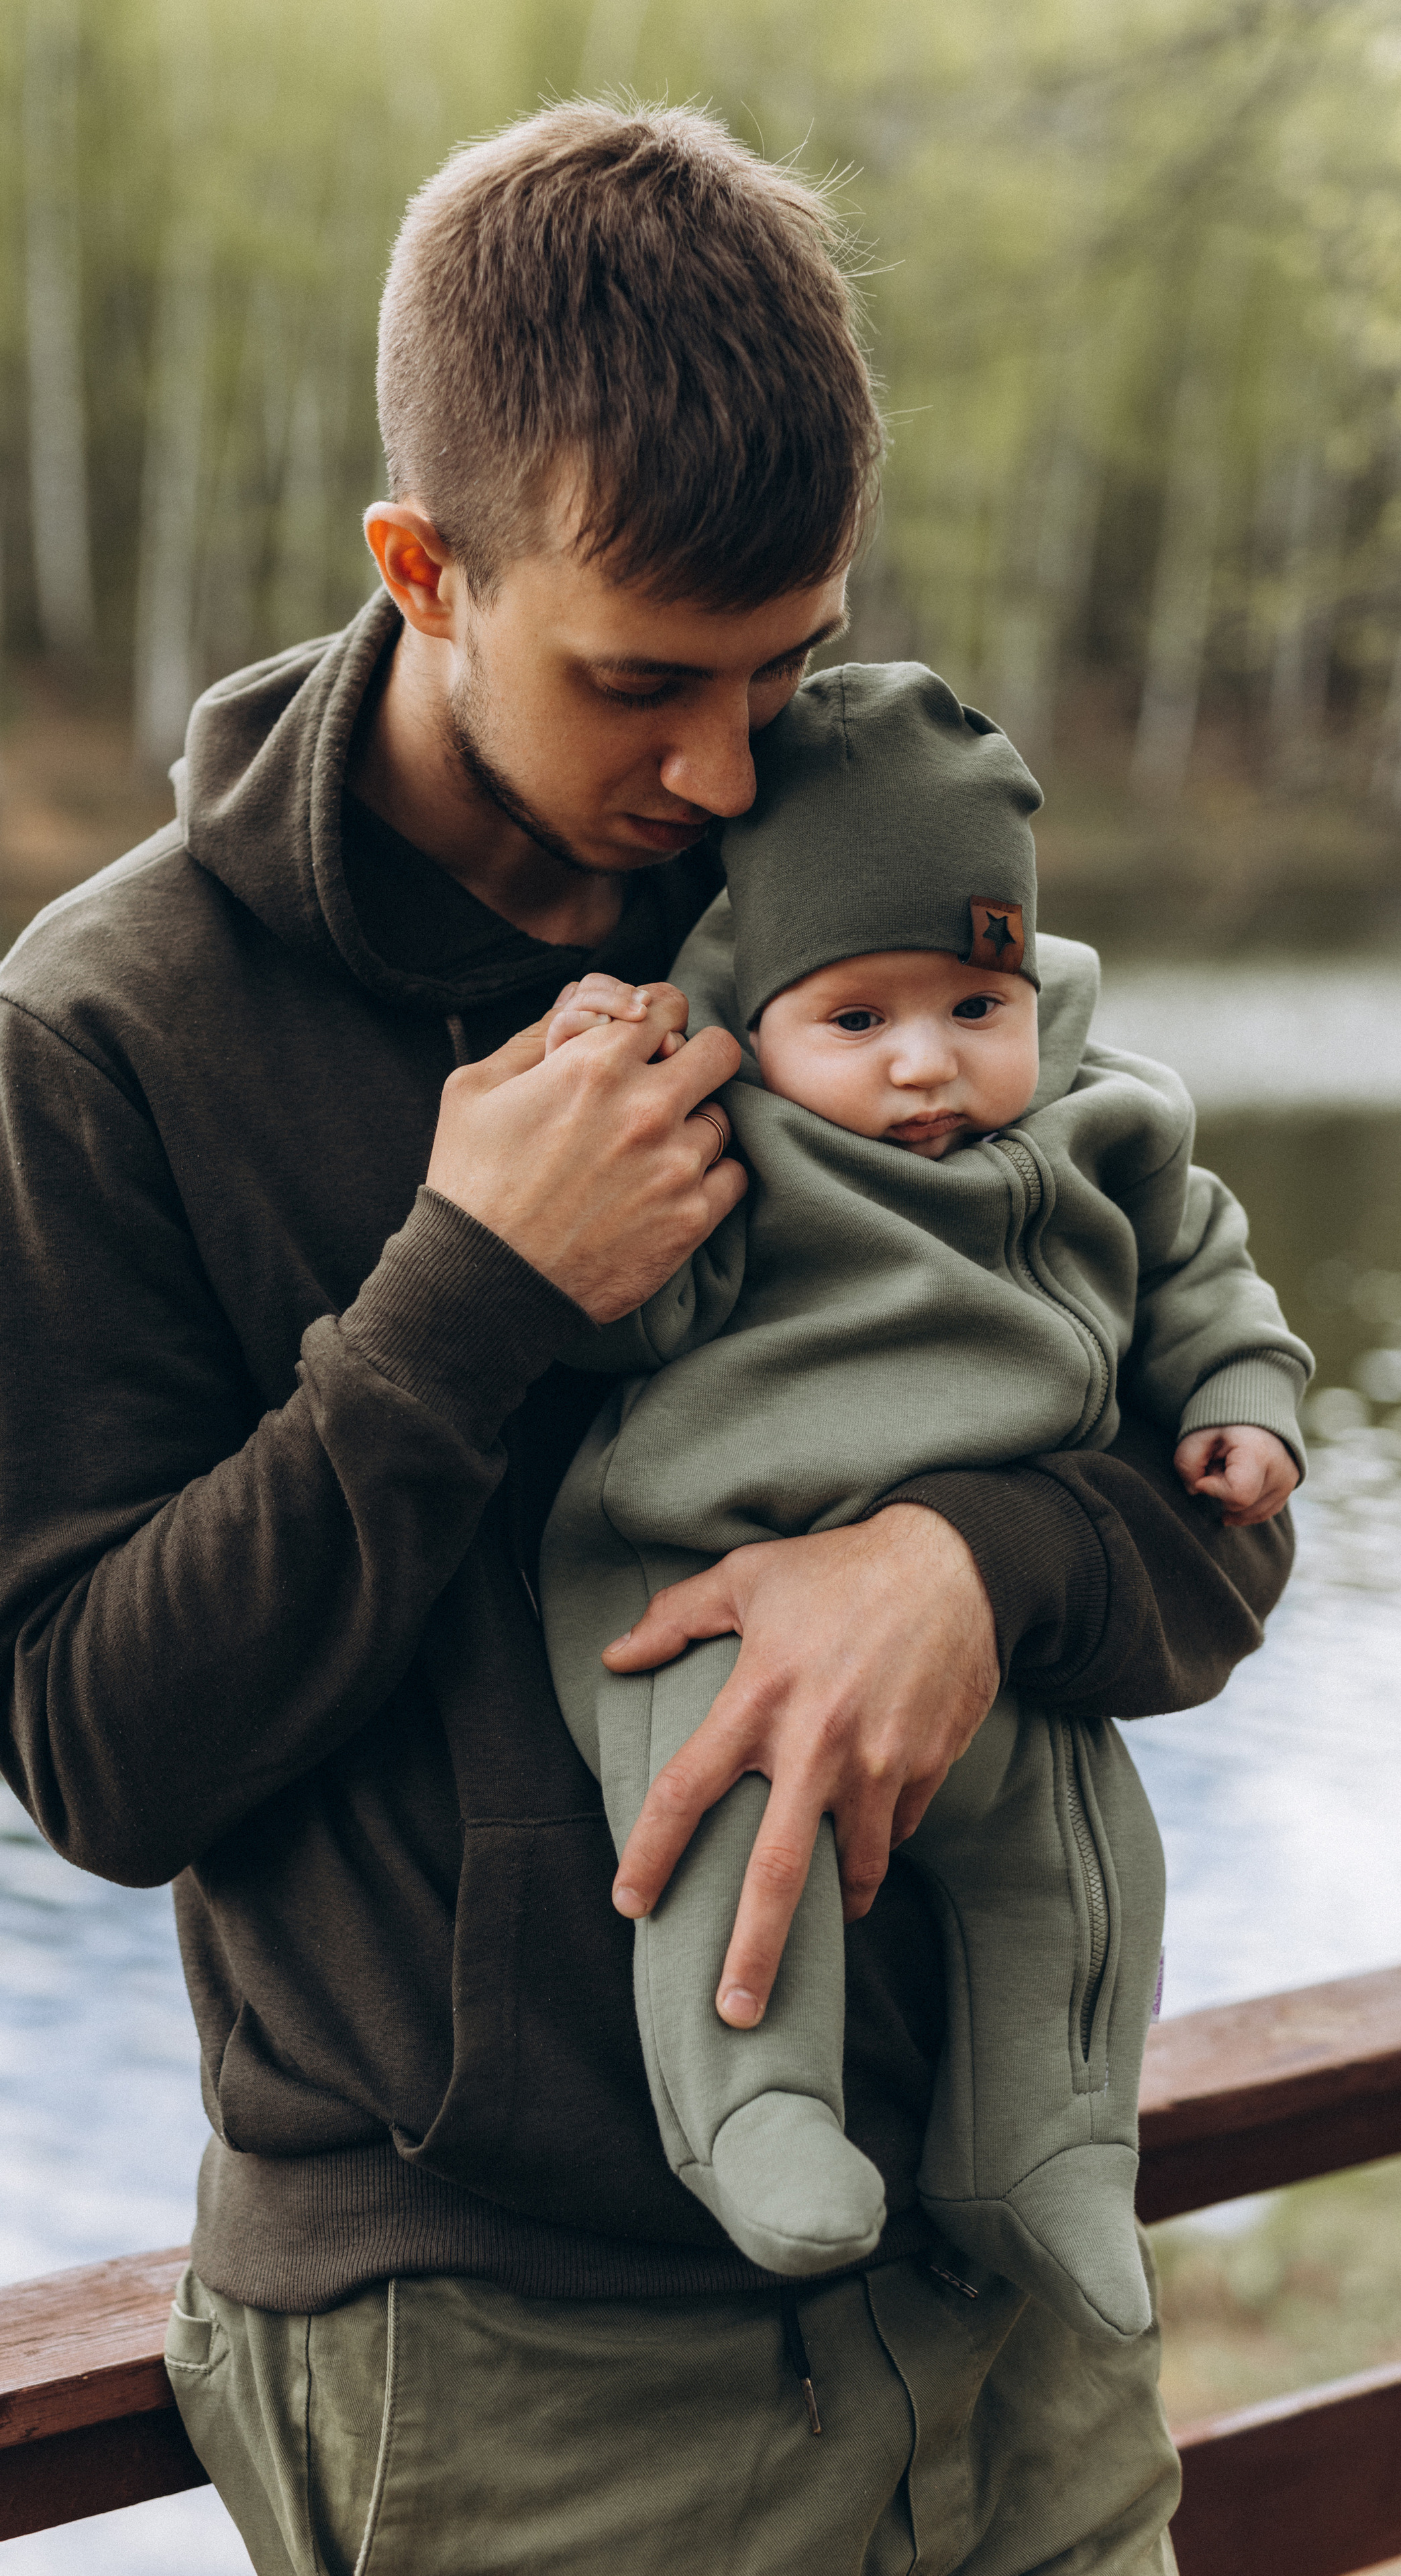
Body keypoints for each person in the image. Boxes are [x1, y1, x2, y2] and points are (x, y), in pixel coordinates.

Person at [0, 102, 1295, 2575]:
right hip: (518, 2372)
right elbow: (92, 1749)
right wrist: (467, 1301)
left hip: (999, 2304)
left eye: (786, 663)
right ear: (423, 571)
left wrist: (975, 1566)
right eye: (644, 682)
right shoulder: (110, 1033)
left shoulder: (868, 866)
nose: (716, 769)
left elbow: (1211, 1525)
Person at [537, 661, 1308, 2342]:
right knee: (730, 1841)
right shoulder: (736, 1140)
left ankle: (1042, 2154)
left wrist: (1246, 1404)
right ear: (764, 1009)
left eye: (974, 1006)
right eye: (857, 1020)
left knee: (1085, 1872)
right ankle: (750, 2113)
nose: (923, 1071)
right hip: (713, 1585)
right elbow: (629, 1314)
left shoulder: (1107, 1127)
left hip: (999, 1653)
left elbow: (1204, 1278)